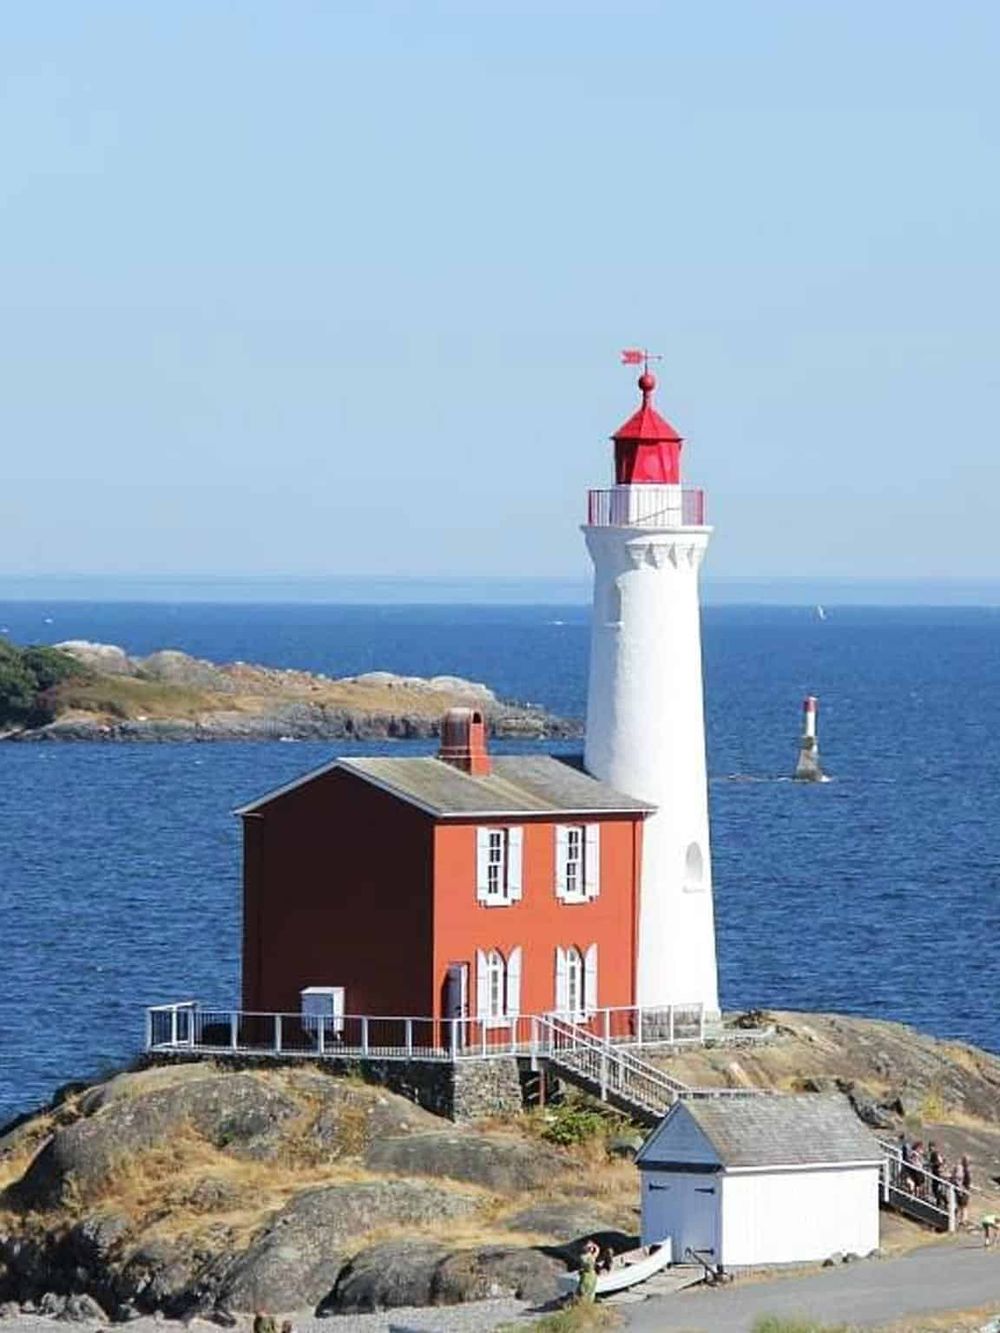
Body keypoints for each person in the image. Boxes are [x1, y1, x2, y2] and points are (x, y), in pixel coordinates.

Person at [577, 1238, 600, 1303]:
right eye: (589, 1247)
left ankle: (587, 1302)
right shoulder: (584, 1257)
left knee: (590, 1290)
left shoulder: (587, 1255)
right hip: (587, 1275)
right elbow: (595, 1254)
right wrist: (595, 1247)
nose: (590, 1248)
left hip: (591, 1274)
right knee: (584, 1290)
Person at [958, 1155, 972, 1228]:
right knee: (963, 1206)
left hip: (964, 1189)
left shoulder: (965, 1170)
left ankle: (963, 1220)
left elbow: (965, 1181)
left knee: (963, 1206)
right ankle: (963, 1220)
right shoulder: (966, 1170)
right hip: (965, 1189)